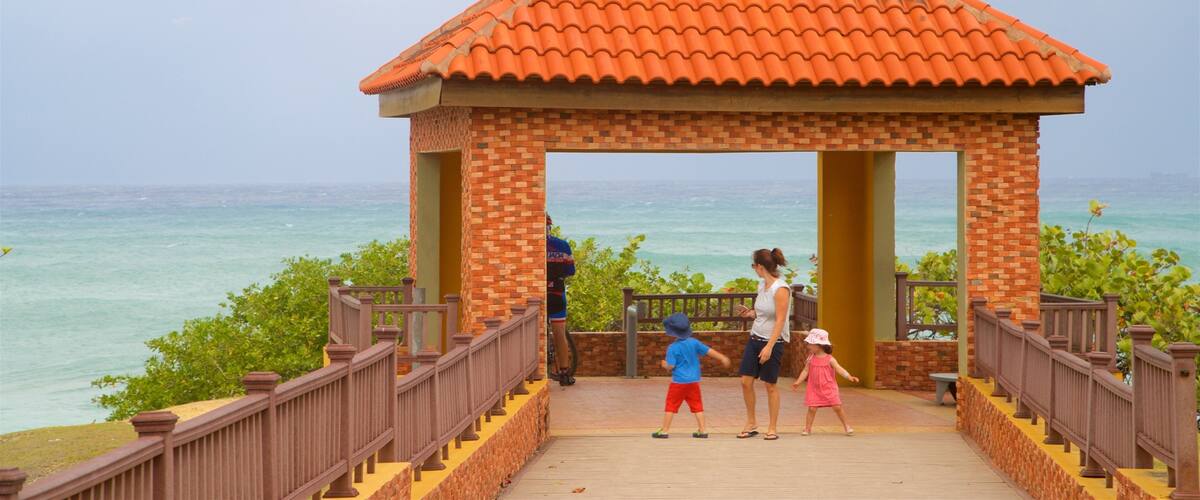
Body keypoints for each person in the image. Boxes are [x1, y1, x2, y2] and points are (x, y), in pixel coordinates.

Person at [732, 248, 791, 441]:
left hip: (772, 342)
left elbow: (780, 320)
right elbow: (763, 313)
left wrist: (769, 347)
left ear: (760, 266)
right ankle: (751, 423)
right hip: (755, 338)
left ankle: (772, 427)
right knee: (745, 381)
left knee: (770, 385)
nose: (753, 269)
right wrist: (749, 314)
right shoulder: (762, 286)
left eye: (753, 266)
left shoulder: (780, 289)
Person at [652, 313, 731, 439]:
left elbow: (670, 366)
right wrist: (722, 357)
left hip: (678, 382)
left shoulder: (672, 348)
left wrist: (663, 364)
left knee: (671, 405)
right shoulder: (694, 343)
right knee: (697, 405)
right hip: (694, 381)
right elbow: (709, 351)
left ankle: (664, 430)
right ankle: (703, 430)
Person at [791, 328, 859, 436]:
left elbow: (839, 368)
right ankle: (807, 428)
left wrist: (849, 376)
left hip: (829, 387)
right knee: (812, 408)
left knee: (837, 407)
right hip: (814, 388)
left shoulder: (830, 359)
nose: (808, 346)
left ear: (819, 345)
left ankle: (847, 426)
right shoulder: (810, 358)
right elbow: (805, 370)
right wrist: (798, 382)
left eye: (810, 344)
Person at [546, 214, 576, 386]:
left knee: (534, 333)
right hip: (557, 294)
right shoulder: (562, 245)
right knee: (559, 333)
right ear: (551, 227)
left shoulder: (532, 246)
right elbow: (570, 271)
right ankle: (564, 372)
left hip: (538, 296)